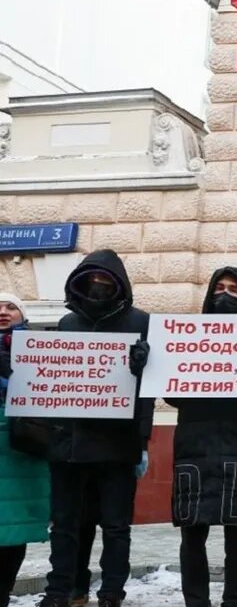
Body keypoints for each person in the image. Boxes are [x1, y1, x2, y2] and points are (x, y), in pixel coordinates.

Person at [155, 267, 237, 607]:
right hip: (196, 450)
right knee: (192, 536)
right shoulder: (188, 339)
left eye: (234, 290)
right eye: (219, 288)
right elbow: (174, 395)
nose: (225, 295)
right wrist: (152, 364)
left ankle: (233, 601)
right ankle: (196, 602)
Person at [38, 250, 154, 607]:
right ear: (81, 282)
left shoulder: (142, 322)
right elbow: (53, 379)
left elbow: (149, 389)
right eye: (93, 280)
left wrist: (143, 439)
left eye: (106, 281)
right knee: (66, 524)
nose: (99, 286)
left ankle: (111, 593)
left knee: (116, 527)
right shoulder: (67, 324)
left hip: (118, 444)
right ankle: (63, 590)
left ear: (120, 285)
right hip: (69, 443)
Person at [0, 294, 51, 606]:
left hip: (23, 447)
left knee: (15, 527)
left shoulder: (41, 349)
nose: (3, 312)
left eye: (11, 307)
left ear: (23, 314)